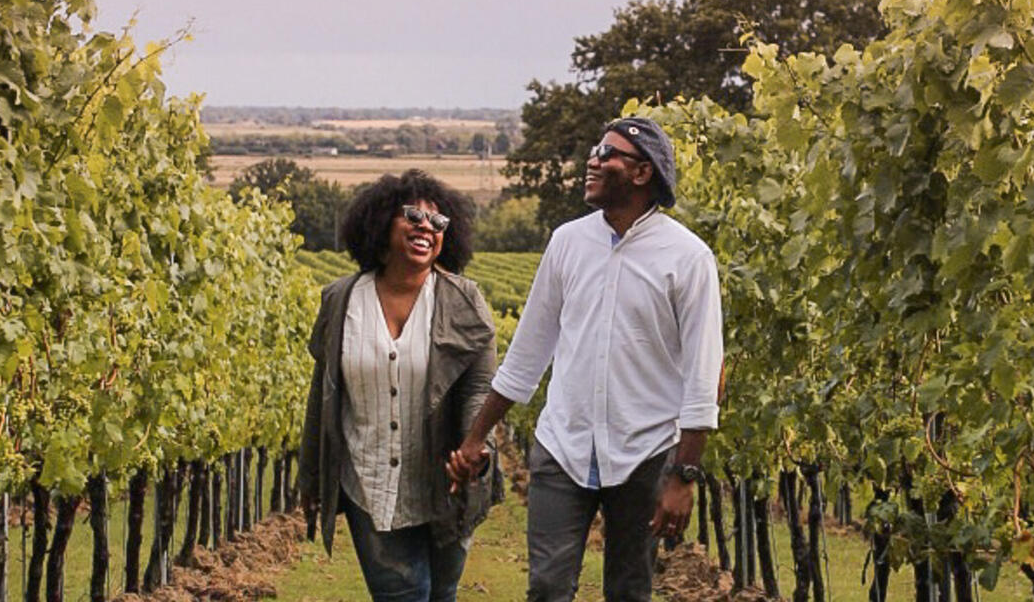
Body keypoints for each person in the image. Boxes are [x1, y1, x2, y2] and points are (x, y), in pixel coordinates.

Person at [445, 117, 723, 601]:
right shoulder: (567, 242)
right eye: (596, 149)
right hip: (562, 446)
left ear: (641, 174)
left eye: (608, 153)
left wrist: (683, 475)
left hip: (646, 450)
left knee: (629, 589)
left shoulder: (688, 258)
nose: (593, 160)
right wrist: (474, 439)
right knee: (548, 586)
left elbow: (702, 376)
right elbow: (528, 352)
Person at [298, 169, 501, 602]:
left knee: (441, 593)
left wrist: (473, 449)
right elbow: (325, 394)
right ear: (381, 222)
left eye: (438, 222)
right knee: (403, 595)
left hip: (445, 485)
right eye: (413, 215)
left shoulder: (464, 300)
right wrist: (313, 479)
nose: (426, 227)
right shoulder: (340, 300)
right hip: (368, 486)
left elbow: (478, 386)